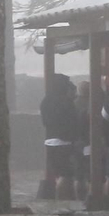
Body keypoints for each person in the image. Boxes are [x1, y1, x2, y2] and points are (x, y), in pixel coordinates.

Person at [38, 73, 82, 201]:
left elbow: (45, 122)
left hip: (50, 140)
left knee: (59, 172)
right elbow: (74, 122)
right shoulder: (66, 102)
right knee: (66, 174)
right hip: (65, 141)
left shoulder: (45, 101)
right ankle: (63, 200)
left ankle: (62, 199)